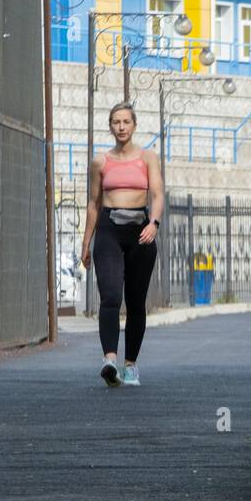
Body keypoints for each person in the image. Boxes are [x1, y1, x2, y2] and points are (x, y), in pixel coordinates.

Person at [80, 102, 163, 387]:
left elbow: (158, 194)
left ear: (134, 125)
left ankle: (131, 366)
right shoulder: (100, 162)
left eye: (126, 121)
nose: (121, 127)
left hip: (141, 232)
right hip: (108, 231)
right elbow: (93, 203)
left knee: (136, 302)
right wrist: (86, 241)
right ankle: (110, 361)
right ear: (110, 126)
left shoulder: (148, 157)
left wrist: (154, 224)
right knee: (111, 296)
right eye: (116, 122)